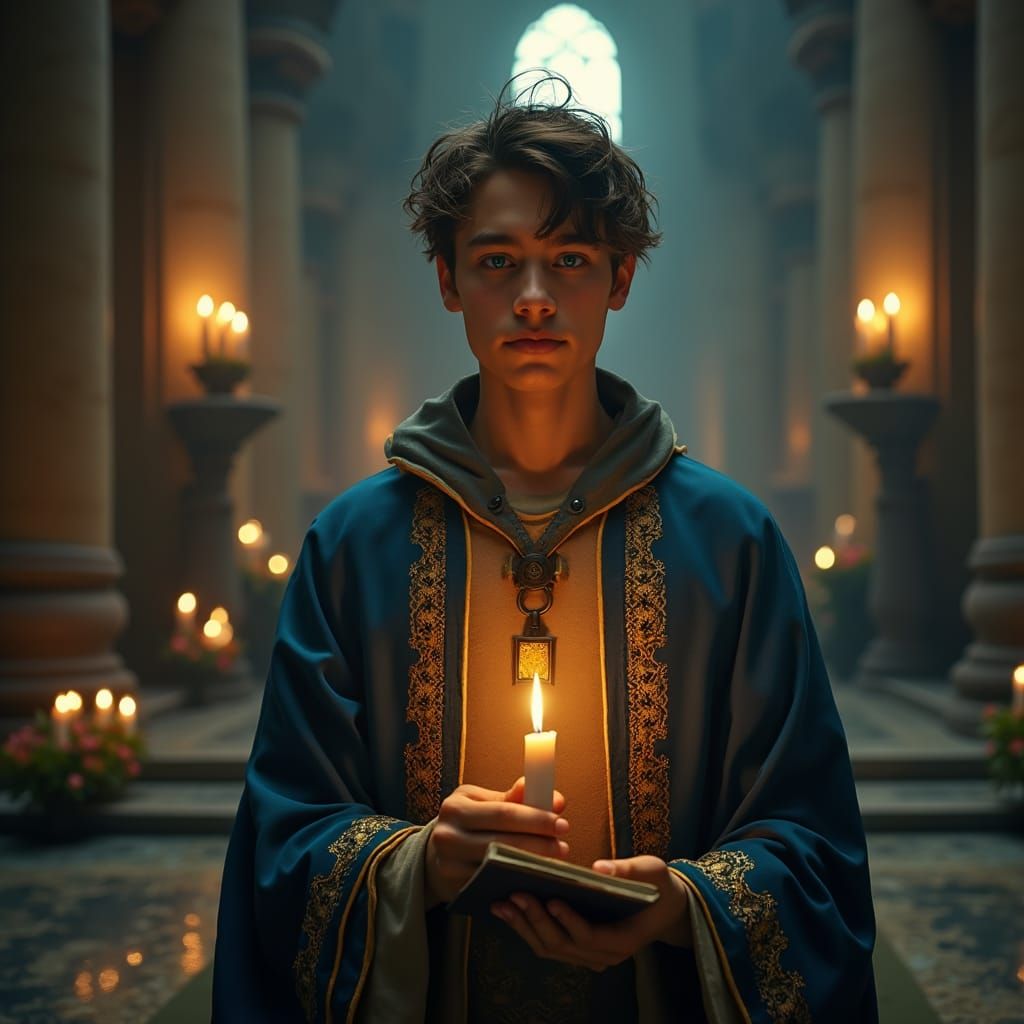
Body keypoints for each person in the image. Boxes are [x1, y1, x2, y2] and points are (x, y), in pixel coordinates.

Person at [213, 76, 878, 1023]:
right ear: (448, 279)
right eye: (496, 261)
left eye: (568, 259)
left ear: (619, 278)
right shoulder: (353, 546)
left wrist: (681, 903)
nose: (532, 298)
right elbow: (284, 834)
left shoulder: (730, 542)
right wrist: (416, 865)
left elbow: (813, 838)